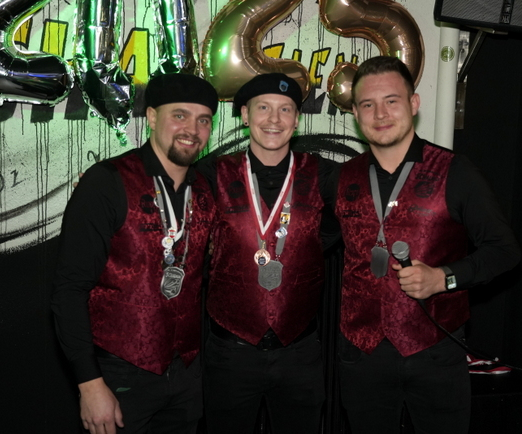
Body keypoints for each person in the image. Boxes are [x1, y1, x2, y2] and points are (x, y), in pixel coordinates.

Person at [334, 56, 521, 434]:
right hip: (361, 354)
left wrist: (444, 277)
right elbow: (310, 238)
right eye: (368, 104)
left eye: (391, 101)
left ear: (414, 103)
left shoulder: (455, 171)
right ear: (355, 113)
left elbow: (504, 250)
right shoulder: (341, 177)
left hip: (435, 351)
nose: (380, 114)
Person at [51, 73, 218, 434]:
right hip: (118, 374)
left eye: (203, 120)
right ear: (153, 117)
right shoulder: (107, 181)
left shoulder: (206, 190)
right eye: (180, 115)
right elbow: (69, 289)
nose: (192, 129)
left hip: (186, 375)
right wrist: (89, 383)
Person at [197, 73, 337, 434]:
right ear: (245, 115)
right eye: (263, 108)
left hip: (300, 351)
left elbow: (357, 214)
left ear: (297, 119)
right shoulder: (212, 173)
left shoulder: (322, 173)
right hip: (230, 352)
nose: (274, 119)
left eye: (285, 109)